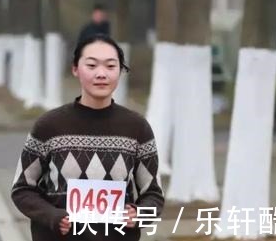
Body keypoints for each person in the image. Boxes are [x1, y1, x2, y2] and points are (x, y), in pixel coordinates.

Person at [11, 34, 164, 241]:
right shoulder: (49, 126)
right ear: (76, 69)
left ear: (120, 71)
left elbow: (153, 194)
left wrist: (139, 215)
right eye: (91, 66)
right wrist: (52, 216)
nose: (101, 74)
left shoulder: (137, 128)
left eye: (111, 66)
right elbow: (22, 188)